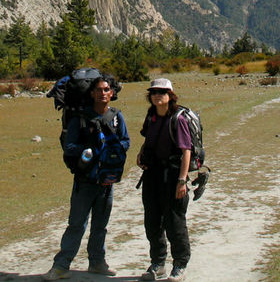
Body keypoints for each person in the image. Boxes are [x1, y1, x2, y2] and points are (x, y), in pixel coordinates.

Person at [43, 77, 130, 281]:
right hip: (85, 180)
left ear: (112, 93)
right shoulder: (80, 118)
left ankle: (97, 262)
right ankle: (61, 265)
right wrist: (89, 151)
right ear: (91, 93)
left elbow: (126, 141)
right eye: (98, 90)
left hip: (107, 181)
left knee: (101, 225)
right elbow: (69, 147)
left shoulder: (117, 117)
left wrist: (112, 153)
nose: (103, 93)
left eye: (106, 89)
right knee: (77, 224)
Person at [136, 78, 192, 282]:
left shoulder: (178, 119)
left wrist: (182, 180)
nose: (157, 95)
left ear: (170, 95)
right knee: (152, 221)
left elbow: (186, 151)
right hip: (152, 174)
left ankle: (180, 265)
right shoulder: (151, 116)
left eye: (162, 92)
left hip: (173, 175)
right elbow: (147, 139)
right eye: (154, 92)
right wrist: (141, 154)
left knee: (174, 222)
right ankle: (158, 263)